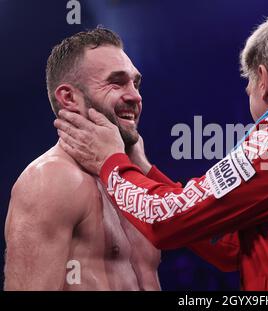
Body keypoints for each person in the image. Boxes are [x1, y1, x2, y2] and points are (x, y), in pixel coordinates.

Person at [55, 8, 268, 290]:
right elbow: (231, 248)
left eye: (249, 84)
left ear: (264, 79)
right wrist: (145, 170)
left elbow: (165, 222)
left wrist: (110, 162)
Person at [4, 28, 163, 290]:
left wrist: (143, 167)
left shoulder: (132, 180)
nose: (135, 96)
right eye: (116, 82)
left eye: (136, 83)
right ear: (69, 98)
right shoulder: (50, 179)